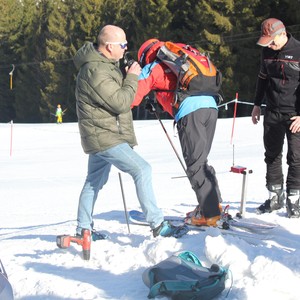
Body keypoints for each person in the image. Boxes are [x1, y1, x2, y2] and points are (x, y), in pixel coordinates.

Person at [73, 25, 183, 239]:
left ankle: (83, 230)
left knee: (93, 181)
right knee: (142, 170)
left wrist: (125, 74)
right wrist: (133, 76)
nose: (126, 48)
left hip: (102, 134)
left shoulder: (104, 65)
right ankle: (158, 224)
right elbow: (121, 102)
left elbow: (113, 94)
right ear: (109, 46)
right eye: (123, 44)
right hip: (106, 136)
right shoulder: (95, 71)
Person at [132, 39, 223, 227]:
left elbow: (133, 95)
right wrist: (157, 101)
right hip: (211, 106)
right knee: (201, 162)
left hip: (191, 111)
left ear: (144, 56)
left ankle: (211, 214)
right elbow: (173, 90)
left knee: (195, 165)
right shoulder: (181, 59)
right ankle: (214, 205)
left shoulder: (154, 66)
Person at [251, 18, 300, 218]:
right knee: (272, 155)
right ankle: (275, 197)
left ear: (282, 33)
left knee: (296, 158)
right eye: (266, 42)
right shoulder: (267, 52)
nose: (269, 45)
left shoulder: (298, 51)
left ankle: (294, 201)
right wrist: (256, 105)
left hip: (295, 114)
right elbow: (262, 78)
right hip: (272, 111)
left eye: (271, 41)